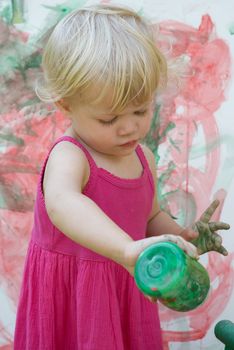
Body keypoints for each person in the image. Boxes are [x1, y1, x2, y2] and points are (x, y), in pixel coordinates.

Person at [14, 4, 230, 350]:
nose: (129, 127)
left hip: (124, 289)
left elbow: (149, 217)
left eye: (141, 110)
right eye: (109, 119)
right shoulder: (71, 156)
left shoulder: (142, 157)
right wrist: (126, 250)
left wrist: (184, 238)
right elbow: (63, 204)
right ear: (66, 105)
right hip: (75, 296)